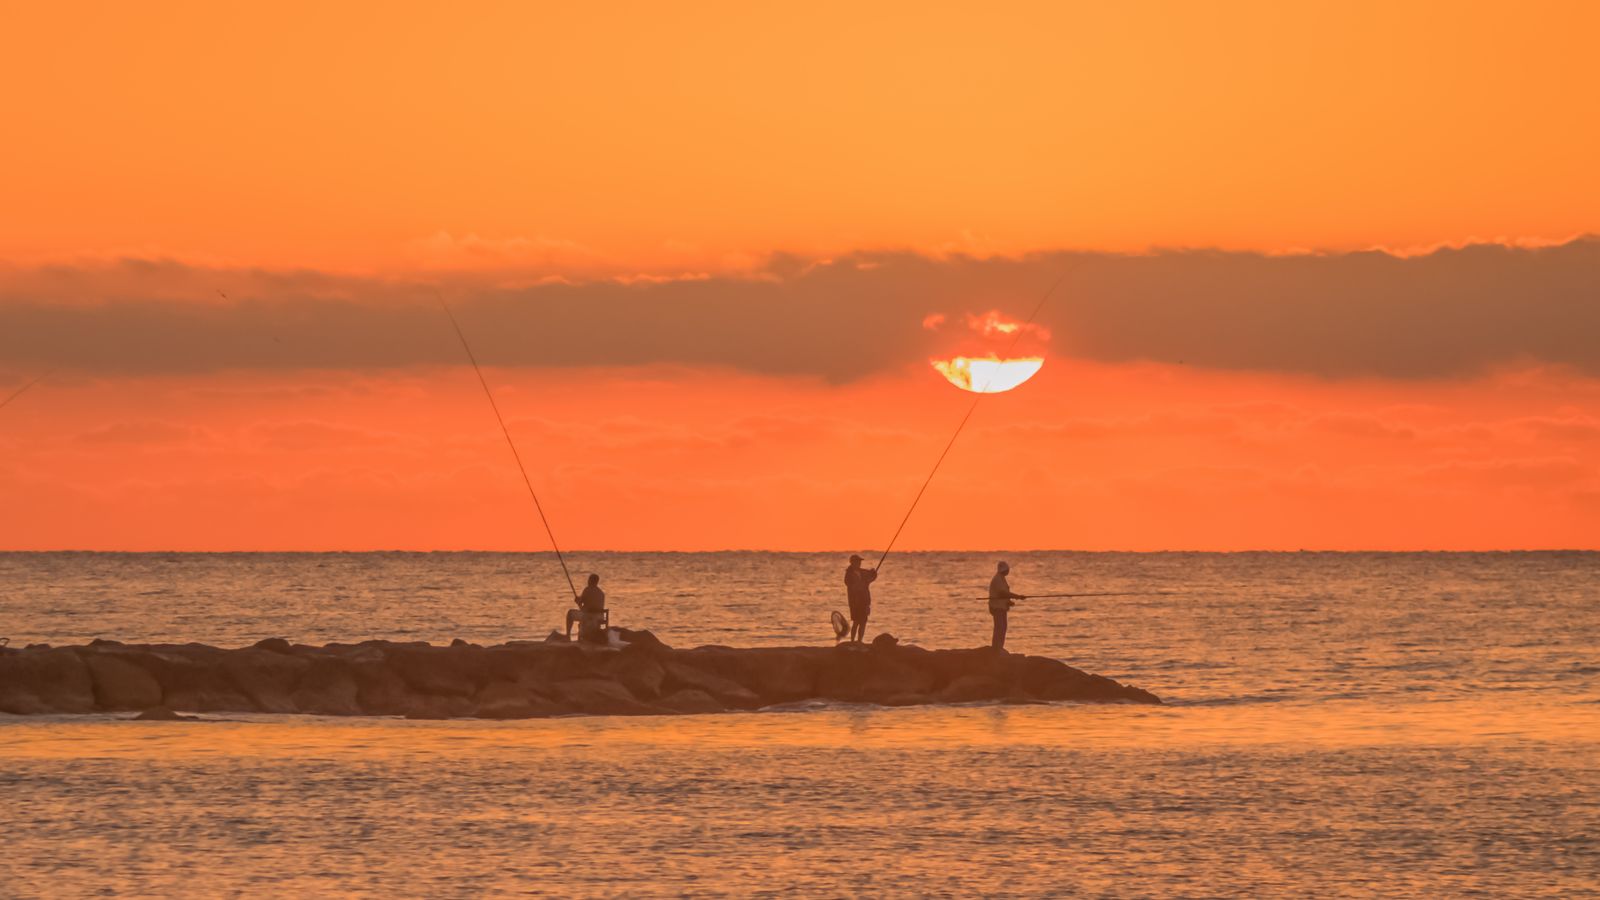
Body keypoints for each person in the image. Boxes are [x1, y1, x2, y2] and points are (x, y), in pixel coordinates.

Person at [988, 561, 1025, 651]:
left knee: (1003, 628)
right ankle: (996, 648)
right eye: (1007, 569)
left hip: (1001, 607)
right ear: (1004, 570)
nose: (1008, 571)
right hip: (997, 607)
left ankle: (999, 647)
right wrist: (1018, 596)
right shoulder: (998, 579)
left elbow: (1003, 594)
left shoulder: (1001, 578)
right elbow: (1002, 593)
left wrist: (1008, 602)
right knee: (999, 628)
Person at [844, 554, 878, 643]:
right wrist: (862, 584)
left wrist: (873, 573)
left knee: (863, 622)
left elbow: (871, 577)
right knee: (856, 622)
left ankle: (859, 641)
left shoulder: (862, 572)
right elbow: (851, 585)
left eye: (859, 562)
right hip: (855, 602)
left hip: (865, 601)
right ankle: (852, 641)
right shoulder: (849, 574)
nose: (859, 563)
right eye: (857, 561)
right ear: (852, 562)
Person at [566, 573, 607, 643]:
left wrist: (577, 600)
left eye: (588, 580)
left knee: (570, 613)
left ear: (590, 581)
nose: (588, 581)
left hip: (588, 616)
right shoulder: (601, 593)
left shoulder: (587, 589)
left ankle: (567, 637)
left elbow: (580, 601)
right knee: (583, 613)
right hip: (599, 617)